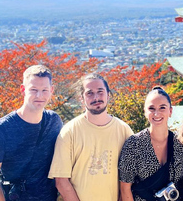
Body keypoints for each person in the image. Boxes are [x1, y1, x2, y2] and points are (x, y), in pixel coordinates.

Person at [0, 65, 63, 201]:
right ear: (23, 90)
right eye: (34, 90)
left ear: (51, 91)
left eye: (44, 90)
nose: (39, 96)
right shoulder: (2, 128)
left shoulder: (53, 121)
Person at [48, 73, 133, 201]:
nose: (96, 97)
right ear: (82, 98)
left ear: (108, 94)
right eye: (89, 93)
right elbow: (61, 181)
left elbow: (131, 176)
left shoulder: (124, 130)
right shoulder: (69, 132)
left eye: (100, 92)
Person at [118, 86, 183, 201]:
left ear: (170, 111)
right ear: (145, 112)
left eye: (162, 108)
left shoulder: (181, 143)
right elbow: (125, 188)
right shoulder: (134, 144)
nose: (156, 114)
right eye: (151, 108)